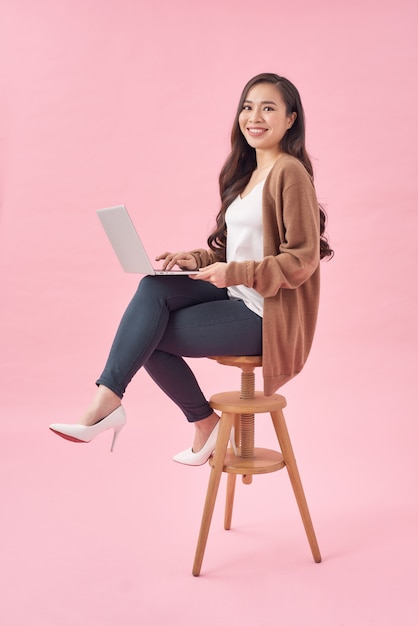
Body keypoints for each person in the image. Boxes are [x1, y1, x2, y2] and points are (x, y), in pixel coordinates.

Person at [50, 72, 333, 465]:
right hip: (238, 294)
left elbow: (301, 260)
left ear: (291, 119)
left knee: (146, 333)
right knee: (152, 289)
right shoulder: (249, 176)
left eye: (269, 108)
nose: (255, 116)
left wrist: (232, 274)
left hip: (266, 316)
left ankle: (186, 419)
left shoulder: (290, 173)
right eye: (248, 107)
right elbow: (238, 251)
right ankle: (119, 401)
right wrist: (197, 260)